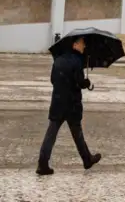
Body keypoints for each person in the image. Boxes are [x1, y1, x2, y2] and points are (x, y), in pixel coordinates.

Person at [36, 36, 101, 175]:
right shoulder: (77, 61)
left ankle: (42, 163)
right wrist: (86, 83)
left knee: (51, 135)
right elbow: (79, 83)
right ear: (75, 44)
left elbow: (53, 80)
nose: (84, 47)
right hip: (72, 104)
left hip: (58, 102)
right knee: (77, 134)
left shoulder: (58, 60)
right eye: (83, 44)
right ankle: (87, 159)